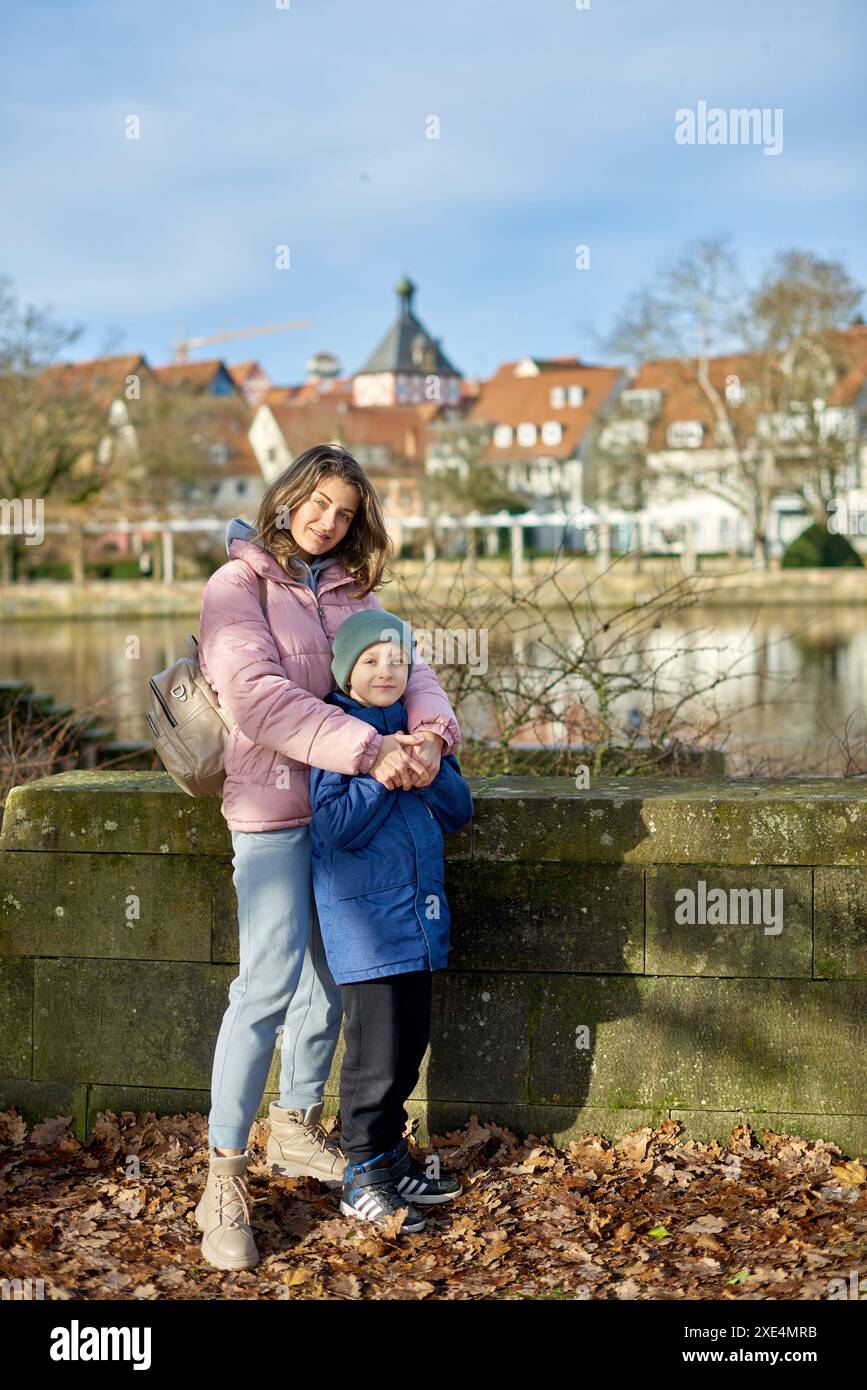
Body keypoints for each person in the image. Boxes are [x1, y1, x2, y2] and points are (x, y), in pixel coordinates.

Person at [192, 444, 461, 1271]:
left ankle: (297, 1129)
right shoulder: (235, 588)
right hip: (276, 812)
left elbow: (411, 673)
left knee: (329, 989)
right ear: (288, 497)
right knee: (267, 985)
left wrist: (427, 737)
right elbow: (256, 696)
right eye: (317, 502)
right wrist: (368, 751)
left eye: (344, 512)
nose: (327, 520)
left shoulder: (353, 593)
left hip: (351, 818)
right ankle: (223, 1177)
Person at [308, 609, 474, 1233]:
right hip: (366, 928)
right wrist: (382, 772)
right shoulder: (336, 733)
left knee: (410, 1048)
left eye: (398, 662)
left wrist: (423, 767)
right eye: (372, 661)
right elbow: (335, 825)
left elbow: (460, 810)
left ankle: (390, 1157)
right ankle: (361, 1175)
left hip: (419, 922)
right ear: (346, 670)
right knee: (373, 1059)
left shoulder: (417, 730)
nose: (386, 671)